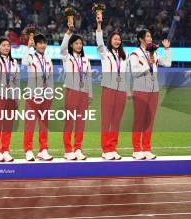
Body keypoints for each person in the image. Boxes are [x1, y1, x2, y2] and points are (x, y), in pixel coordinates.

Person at [129, 29, 171, 160]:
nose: (150, 38)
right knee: (139, 120)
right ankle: (136, 149)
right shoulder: (135, 54)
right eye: (147, 36)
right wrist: (148, 64)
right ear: (141, 39)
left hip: (154, 90)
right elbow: (135, 72)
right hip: (140, 90)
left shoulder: (155, 53)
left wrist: (167, 49)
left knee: (149, 121)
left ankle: (146, 148)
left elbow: (168, 64)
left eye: (150, 36)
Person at [96, 15, 130, 160]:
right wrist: (99, 24)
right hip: (108, 89)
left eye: (119, 39)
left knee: (116, 120)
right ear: (110, 40)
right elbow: (99, 42)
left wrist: (128, 90)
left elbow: (127, 74)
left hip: (121, 90)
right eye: (114, 39)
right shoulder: (105, 54)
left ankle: (113, 148)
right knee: (106, 120)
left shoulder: (124, 55)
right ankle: (105, 149)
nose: (117, 41)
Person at [0, 15, 20, 162]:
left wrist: (17, 97)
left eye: (8, 46)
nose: (6, 47)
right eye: (4, 45)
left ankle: (6, 149)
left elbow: (17, 81)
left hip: (11, 96)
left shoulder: (14, 62)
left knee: (8, 124)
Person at [60, 21, 92, 161]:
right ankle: (68, 150)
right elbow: (62, 48)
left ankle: (78, 148)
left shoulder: (86, 59)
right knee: (69, 121)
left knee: (80, 122)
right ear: (72, 45)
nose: (79, 45)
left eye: (81, 43)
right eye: (76, 43)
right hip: (72, 91)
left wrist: (90, 93)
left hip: (83, 92)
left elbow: (89, 77)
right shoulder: (67, 57)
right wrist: (68, 32)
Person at [21, 33, 55, 161]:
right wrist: (27, 47)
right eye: (40, 43)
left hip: (46, 96)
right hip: (33, 95)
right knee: (30, 124)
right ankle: (28, 150)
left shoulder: (48, 59)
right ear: (35, 45)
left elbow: (50, 77)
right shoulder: (30, 56)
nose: (43, 45)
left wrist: (51, 93)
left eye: (44, 43)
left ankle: (43, 150)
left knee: (44, 125)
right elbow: (24, 62)